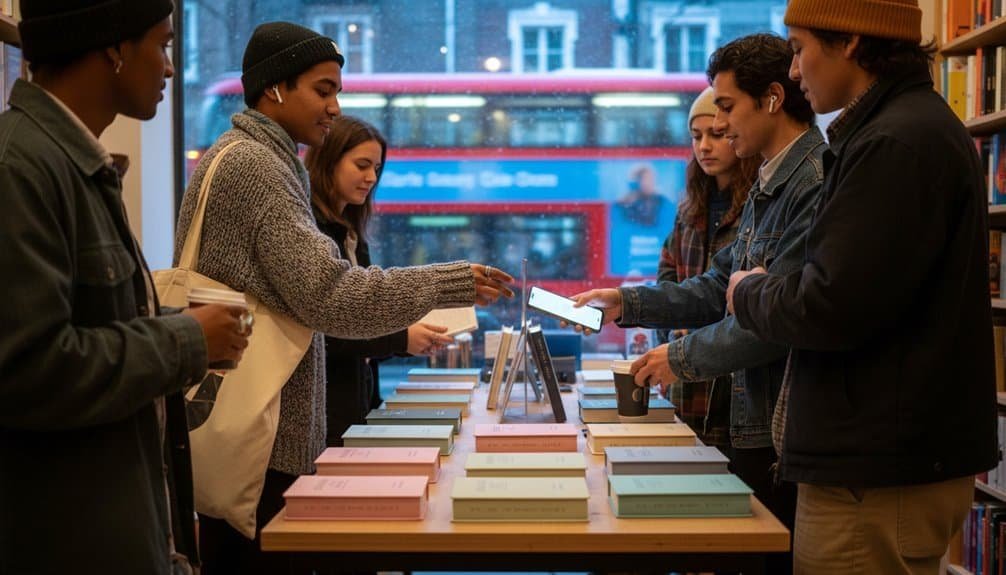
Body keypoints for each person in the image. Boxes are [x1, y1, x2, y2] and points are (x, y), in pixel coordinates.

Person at [175, 22, 513, 574]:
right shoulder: (255, 165)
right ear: (274, 89)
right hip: (261, 443)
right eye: (323, 88)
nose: (335, 107)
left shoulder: (249, 156)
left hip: (256, 431)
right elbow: (331, 295)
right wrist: (449, 281)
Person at [724, 2, 998, 573]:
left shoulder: (891, 144)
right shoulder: (902, 130)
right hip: (883, 462)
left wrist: (750, 291)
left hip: (873, 474)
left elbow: (828, 306)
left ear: (849, 40)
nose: (794, 72)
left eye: (799, 48)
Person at [0, 1, 251, 573]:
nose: (168, 69)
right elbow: (26, 371)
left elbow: (90, 328)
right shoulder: (21, 169)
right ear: (113, 48)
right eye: (161, 46)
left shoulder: (77, 164)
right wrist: (188, 340)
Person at [572, 34, 826, 574]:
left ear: (774, 100)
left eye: (728, 109)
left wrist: (677, 359)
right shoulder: (768, 182)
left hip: (778, 428)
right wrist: (626, 302)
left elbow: (774, 322)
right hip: (753, 422)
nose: (723, 130)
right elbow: (716, 287)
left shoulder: (811, 183)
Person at [305, 115, 455, 445]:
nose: (371, 177)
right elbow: (325, 331)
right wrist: (400, 339)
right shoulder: (312, 234)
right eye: (362, 165)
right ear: (329, 161)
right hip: (324, 420)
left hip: (355, 409)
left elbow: (361, 321)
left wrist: (405, 338)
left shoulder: (352, 233)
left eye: (376, 168)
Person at [655, 86, 760, 448]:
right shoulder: (689, 210)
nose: (704, 146)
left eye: (716, 135)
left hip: (737, 392)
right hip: (687, 389)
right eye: (696, 136)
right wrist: (670, 331)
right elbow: (667, 276)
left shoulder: (759, 206)